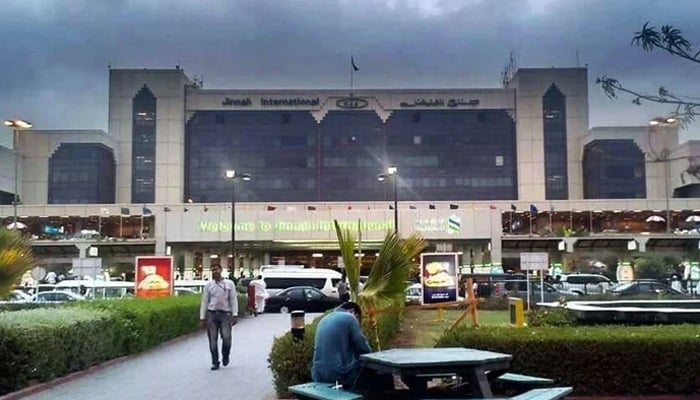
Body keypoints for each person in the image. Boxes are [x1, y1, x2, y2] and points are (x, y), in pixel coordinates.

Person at [311, 302, 372, 388]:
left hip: (318, 374)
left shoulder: (324, 319)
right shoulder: (350, 318)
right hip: (338, 374)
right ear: (353, 312)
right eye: (358, 319)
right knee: (374, 372)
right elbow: (363, 347)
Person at [199, 263, 238, 370]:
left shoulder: (229, 284)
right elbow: (204, 301)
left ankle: (225, 355)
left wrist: (234, 314)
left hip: (225, 314)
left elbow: (233, 299)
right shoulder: (209, 286)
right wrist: (202, 317)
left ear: (221, 270)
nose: (214, 272)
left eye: (216, 270)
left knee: (226, 338)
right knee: (212, 340)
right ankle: (215, 362)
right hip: (212, 314)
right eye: (212, 270)